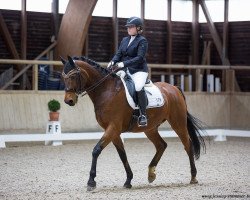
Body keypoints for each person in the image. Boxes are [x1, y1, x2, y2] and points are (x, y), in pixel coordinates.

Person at [107, 16, 149, 127]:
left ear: (138, 28)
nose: (128, 29)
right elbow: (119, 53)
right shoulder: (125, 40)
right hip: (126, 69)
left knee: (138, 87)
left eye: (131, 27)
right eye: (128, 27)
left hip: (139, 70)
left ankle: (143, 114)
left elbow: (140, 58)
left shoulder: (142, 41)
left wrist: (123, 63)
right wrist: (113, 61)